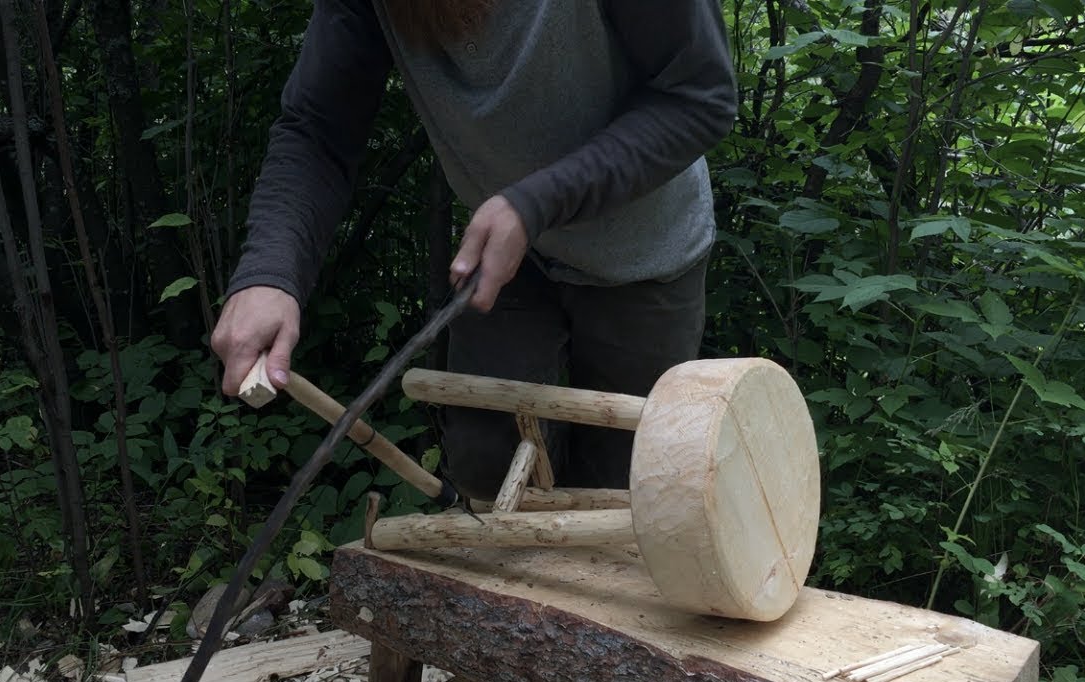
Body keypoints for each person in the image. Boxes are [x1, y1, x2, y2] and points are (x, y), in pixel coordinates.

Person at [211, 0, 738, 502]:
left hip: (643, 250)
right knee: (488, 462)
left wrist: (536, 203)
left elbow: (700, 97)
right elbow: (319, 128)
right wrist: (269, 272)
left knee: (626, 488)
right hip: (505, 258)